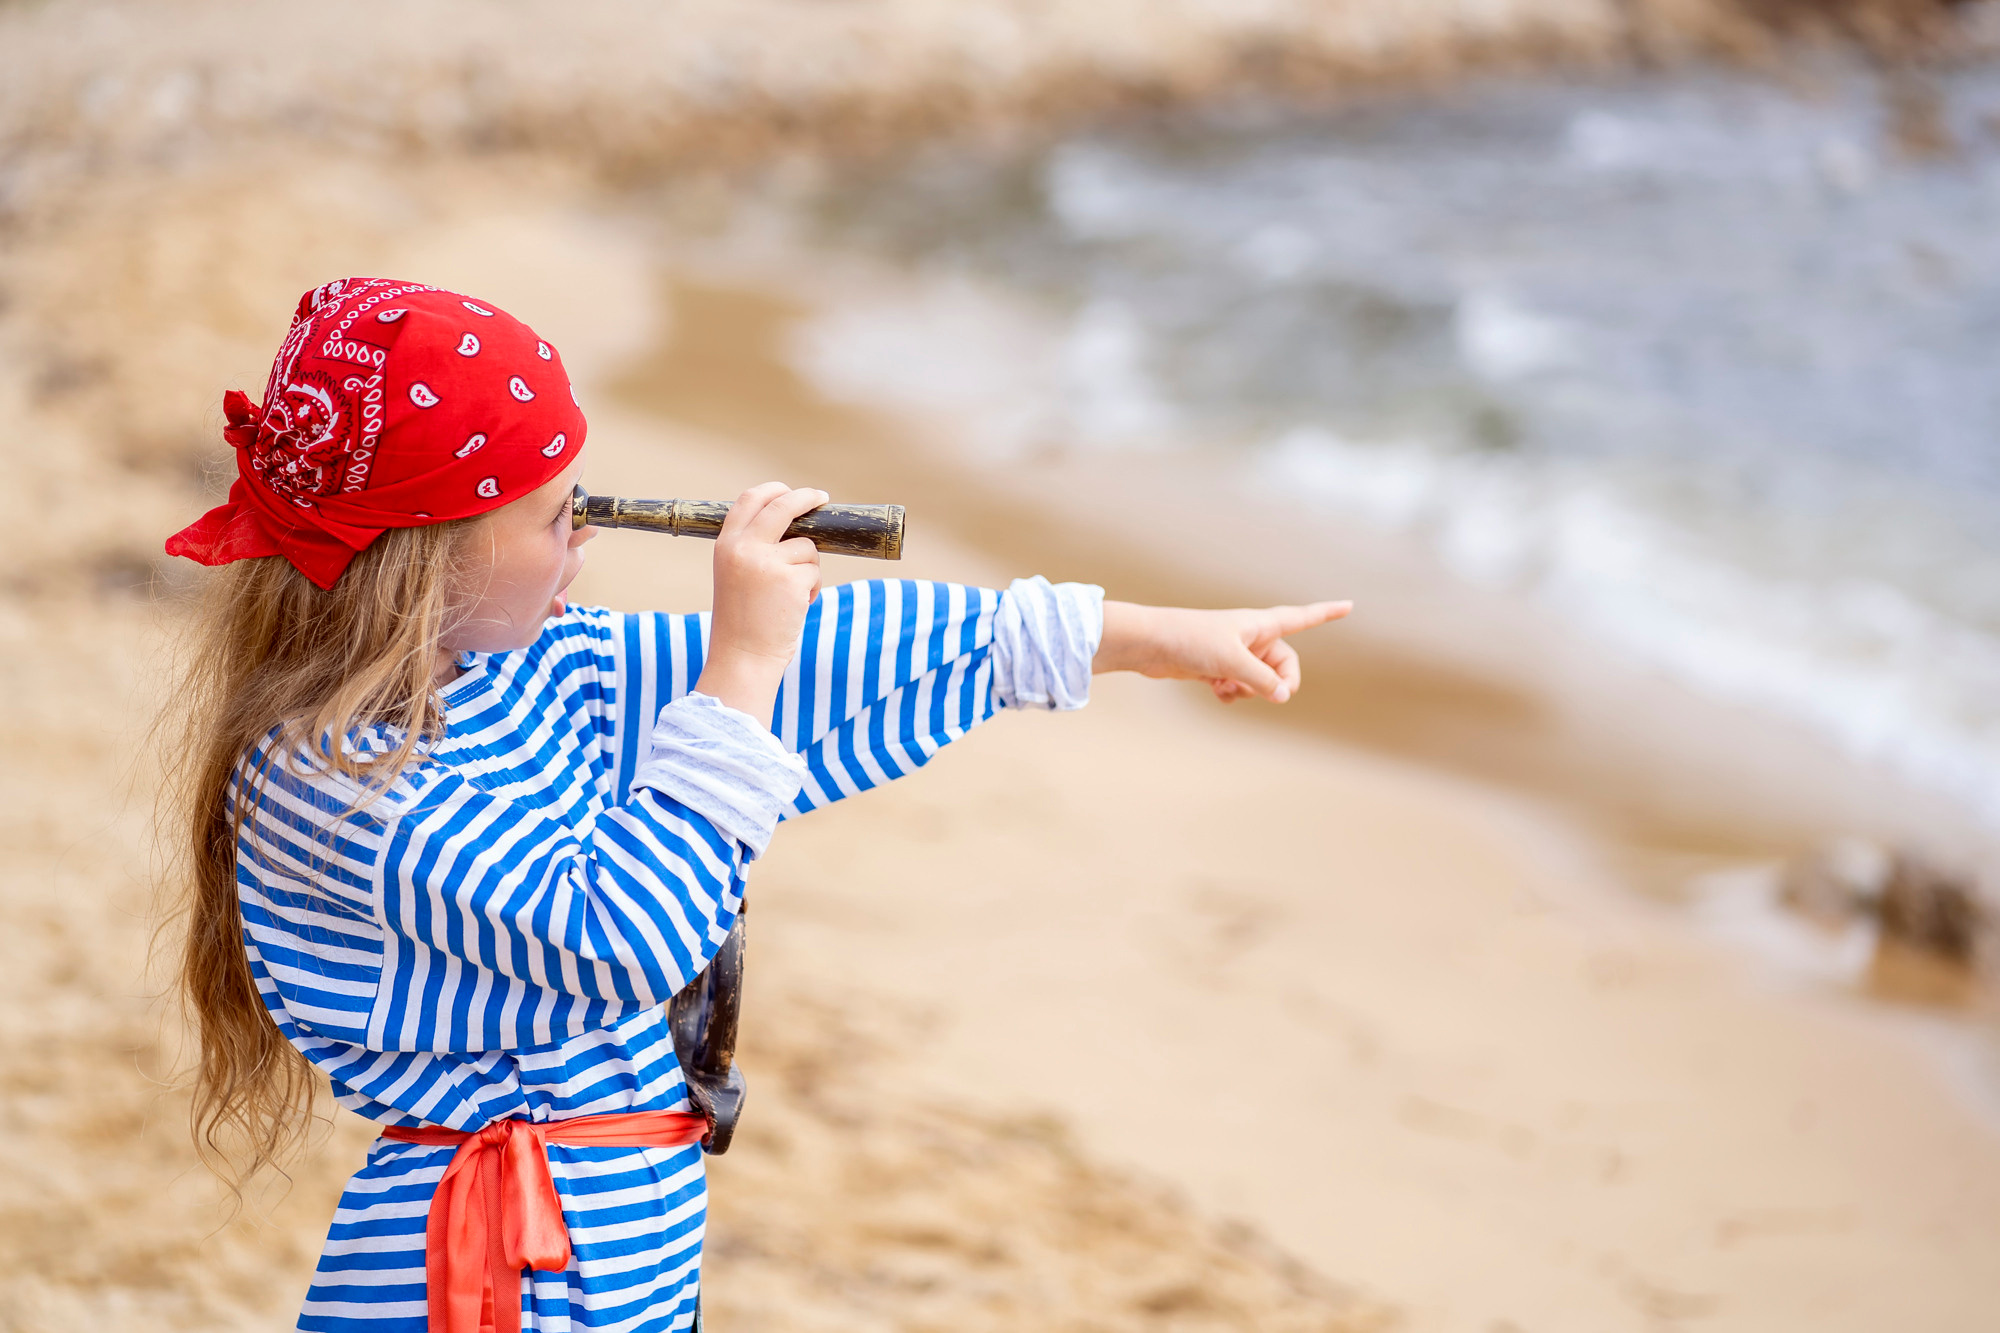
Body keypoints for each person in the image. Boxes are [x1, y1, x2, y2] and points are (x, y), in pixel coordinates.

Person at [162, 276, 1349, 1333]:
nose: (581, 537)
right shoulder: (324, 778)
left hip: (616, 1254)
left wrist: (1137, 637)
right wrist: (736, 667)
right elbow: (623, 934)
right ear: (421, 557)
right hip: (478, 1279)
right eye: (549, 514)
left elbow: (837, 656)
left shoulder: (532, 668)